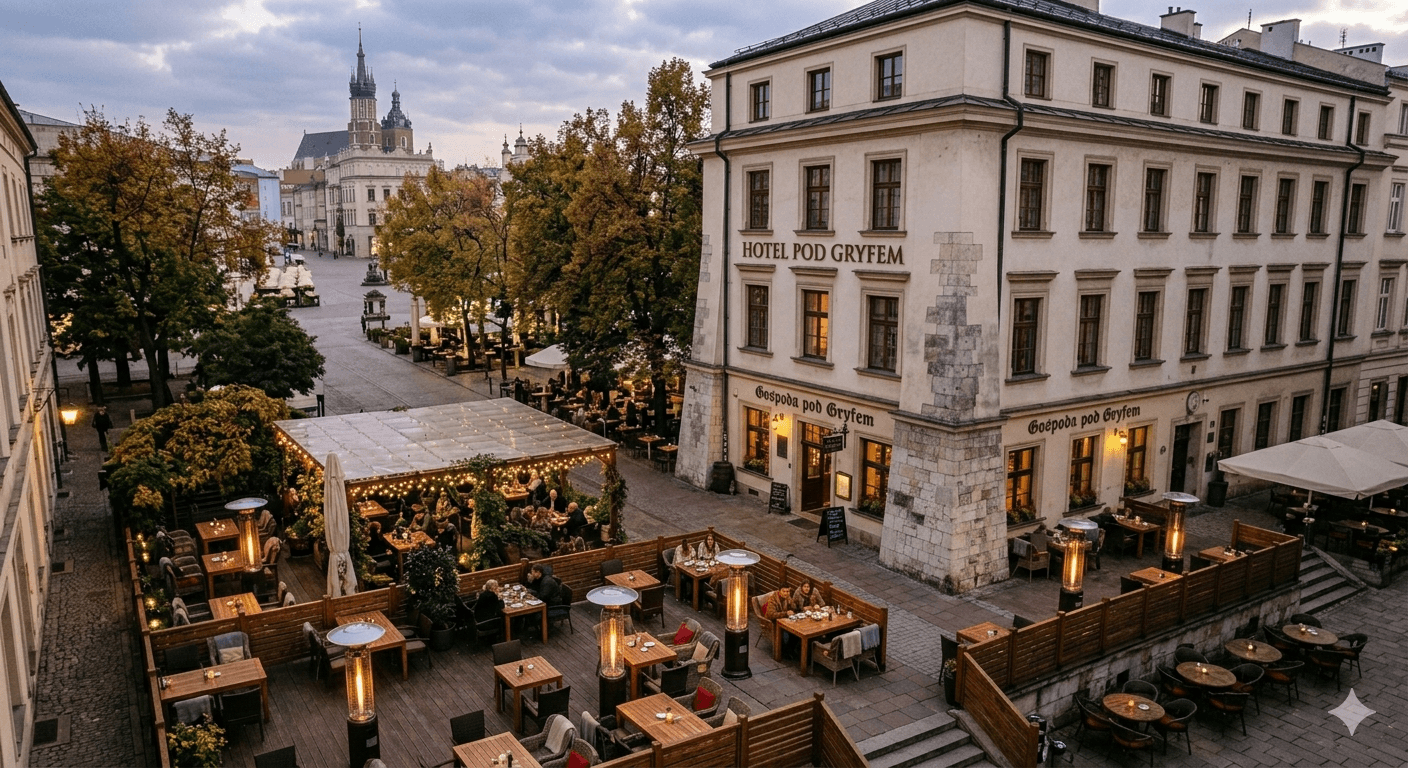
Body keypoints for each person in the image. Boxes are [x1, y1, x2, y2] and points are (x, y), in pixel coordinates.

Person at [766, 586, 800, 657]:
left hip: (784, 621)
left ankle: (790, 650)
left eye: (787, 592)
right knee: (787, 634)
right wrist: (785, 613)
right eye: (783, 591)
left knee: (797, 631)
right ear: (779, 591)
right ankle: (784, 652)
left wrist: (791, 602)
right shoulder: (773, 600)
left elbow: (794, 608)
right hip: (773, 622)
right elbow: (771, 614)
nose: (785, 593)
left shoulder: (787, 597)